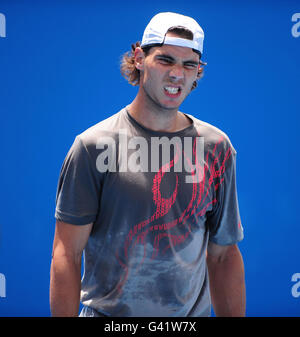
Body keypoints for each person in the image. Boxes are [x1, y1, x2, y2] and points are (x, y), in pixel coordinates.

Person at [50, 12, 246, 317]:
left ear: (198, 72)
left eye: (188, 64)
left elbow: (223, 256)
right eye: (166, 60)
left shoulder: (216, 148)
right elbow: (67, 254)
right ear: (139, 58)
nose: (177, 74)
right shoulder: (93, 146)